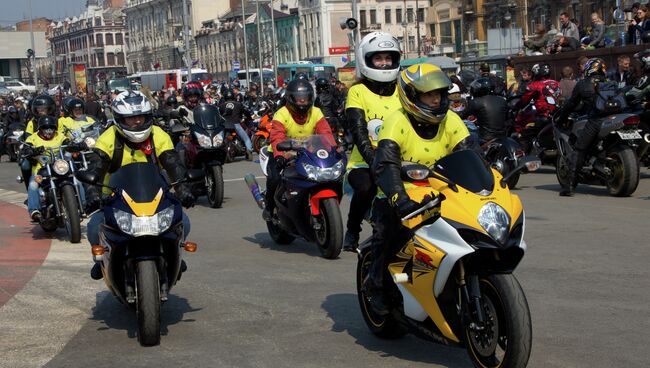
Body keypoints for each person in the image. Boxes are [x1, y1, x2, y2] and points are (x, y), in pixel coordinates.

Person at [366, 64, 471, 314]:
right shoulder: (396, 122)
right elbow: (386, 166)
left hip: (443, 192)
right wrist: (399, 200)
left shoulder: (452, 120)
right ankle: (376, 286)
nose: (436, 99)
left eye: (439, 94)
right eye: (429, 94)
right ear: (412, 96)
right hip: (402, 195)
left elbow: (470, 155)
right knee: (389, 233)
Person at [84, 90, 195, 280]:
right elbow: (96, 169)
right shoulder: (108, 138)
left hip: (155, 197)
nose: (137, 122)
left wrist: (183, 188)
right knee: (94, 227)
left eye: (140, 116)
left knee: (183, 221)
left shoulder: (158, 135)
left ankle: (174, 253)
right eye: (130, 118)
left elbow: (172, 164)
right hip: (115, 199)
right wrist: (92, 193)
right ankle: (101, 260)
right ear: (120, 119)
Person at [342, 31, 403, 252]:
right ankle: (352, 229)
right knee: (367, 187)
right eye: (378, 58)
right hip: (364, 163)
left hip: (400, 160)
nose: (384, 63)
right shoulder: (357, 92)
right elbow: (358, 132)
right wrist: (375, 161)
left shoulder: (403, 90)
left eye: (388, 58)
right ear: (366, 60)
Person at [262, 79, 335, 221]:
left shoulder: (316, 112)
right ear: (290, 98)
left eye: (305, 98)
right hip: (283, 152)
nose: (302, 102)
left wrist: (333, 149)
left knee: (327, 175)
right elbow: (277, 137)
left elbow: (326, 133)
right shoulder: (281, 114)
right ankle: (269, 207)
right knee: (275, 178)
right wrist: (279, 156)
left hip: (308, 152)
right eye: (299, 99)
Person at [556, 58, 613, 197]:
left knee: (579, 148)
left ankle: (570, 186)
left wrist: (561, 119)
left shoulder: (584, 83)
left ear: (589, 69)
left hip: (597, 119)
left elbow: (570, 104)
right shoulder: (610, 82)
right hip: (613, 117)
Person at [21, 115, 68, 222]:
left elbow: (67, 141)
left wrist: (73, 144)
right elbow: (26, 148)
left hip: (59, 169)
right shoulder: (32, 138)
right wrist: (30, 150)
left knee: (76, 180)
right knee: (33, 184)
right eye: (45, 128)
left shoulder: (59, 135)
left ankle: (82, 204)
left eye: (51, 128)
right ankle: (34, 210)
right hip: (40, 171)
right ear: (40, 129)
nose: (49, 131)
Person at [464, 77, 509, 142]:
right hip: (503, 136)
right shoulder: (502, 100)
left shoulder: (476, 101)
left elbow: (463, 114)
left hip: (485, 137)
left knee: (470, 136)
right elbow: (507, 118)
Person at [218, 89, 254, 160]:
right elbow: (246, 112)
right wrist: (249, 118)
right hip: (236, 124)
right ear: (233, 96)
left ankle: (218, 151)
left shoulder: (221, 105)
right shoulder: (238, 104)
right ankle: (249, 150)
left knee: (219, 140)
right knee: (246, 139)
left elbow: (219, 114)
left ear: (225, 97)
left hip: (224, 125)